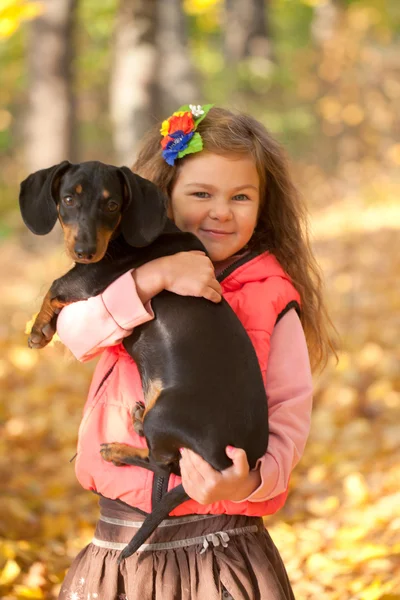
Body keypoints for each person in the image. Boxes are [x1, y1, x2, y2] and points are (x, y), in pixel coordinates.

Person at [56, 105, 334, 600]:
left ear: (263, 206)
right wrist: (150, 279)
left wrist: (249, 482)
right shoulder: (125, 273)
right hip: (121, 543)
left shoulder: (270, 294)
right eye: (201, 194)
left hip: (219, 543)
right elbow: (74, 330)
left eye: (241, 197)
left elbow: (289, 415)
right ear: (161, 198)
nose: (221, 211)